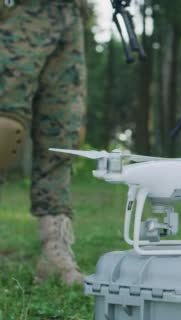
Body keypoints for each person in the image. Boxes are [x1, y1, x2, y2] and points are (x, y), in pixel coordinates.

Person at [0, 0, 86, 285]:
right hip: (21, 10)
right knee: (4, 127)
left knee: (60, 134)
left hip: (69, 13)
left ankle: (54, 249)